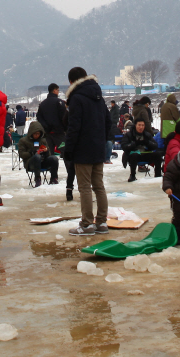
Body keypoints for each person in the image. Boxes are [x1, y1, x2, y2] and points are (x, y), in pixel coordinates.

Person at [64, 67, 112, 236]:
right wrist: (101, 140)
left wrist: (69, 149)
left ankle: (86, 224)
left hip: (82, 149)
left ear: (71, 81)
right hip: (98, 147)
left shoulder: (76, 98)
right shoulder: (98, 96)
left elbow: (74, 127)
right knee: (99, 186)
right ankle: (102, 222)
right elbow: (108, 121)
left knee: (84, 187)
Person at [17, 121, 59, 187]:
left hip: (42, 161)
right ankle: (37, 179)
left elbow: (49, 154)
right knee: (37, 157)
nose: (37, 135)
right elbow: (21, 154)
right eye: (35, 134)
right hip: (31, 163)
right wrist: (31, 153)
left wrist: (46, 152)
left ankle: (54, 178)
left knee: (54, 158)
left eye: (38, 134)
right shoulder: (23, 141)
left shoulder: (42, 140)